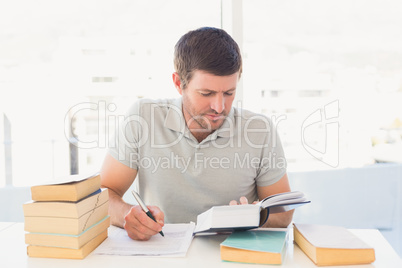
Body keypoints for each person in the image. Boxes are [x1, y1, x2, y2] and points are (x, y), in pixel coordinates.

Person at [100, 27, 293, 241]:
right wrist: (127, 214)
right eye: (206, 93)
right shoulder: (143, 118)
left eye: (229, 93)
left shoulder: (260, 130)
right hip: (161, 251)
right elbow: (104, 194)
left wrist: (257, 216)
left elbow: (283, 214)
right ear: (178, 83)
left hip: (230, 254)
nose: (219, 107)